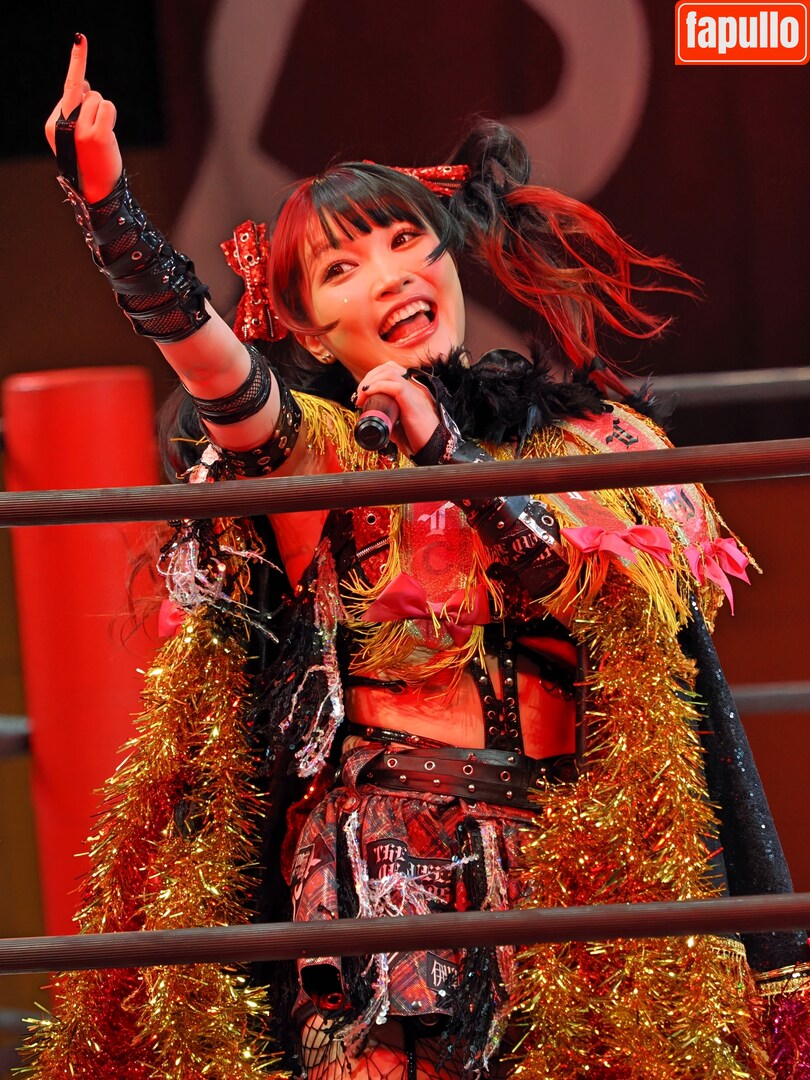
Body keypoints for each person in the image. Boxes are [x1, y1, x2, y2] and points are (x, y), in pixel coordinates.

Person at [28, 33, 808, 1080]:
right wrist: (113, 217)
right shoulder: (322, 451)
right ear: (309, 329)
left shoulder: (594, 444)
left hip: (582, 872)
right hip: (383, 872)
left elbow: (599, 603)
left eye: (407, 242)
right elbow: (219, 375)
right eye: (341, 268)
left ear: (448, 261)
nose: (390, 275)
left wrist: (451, 458)